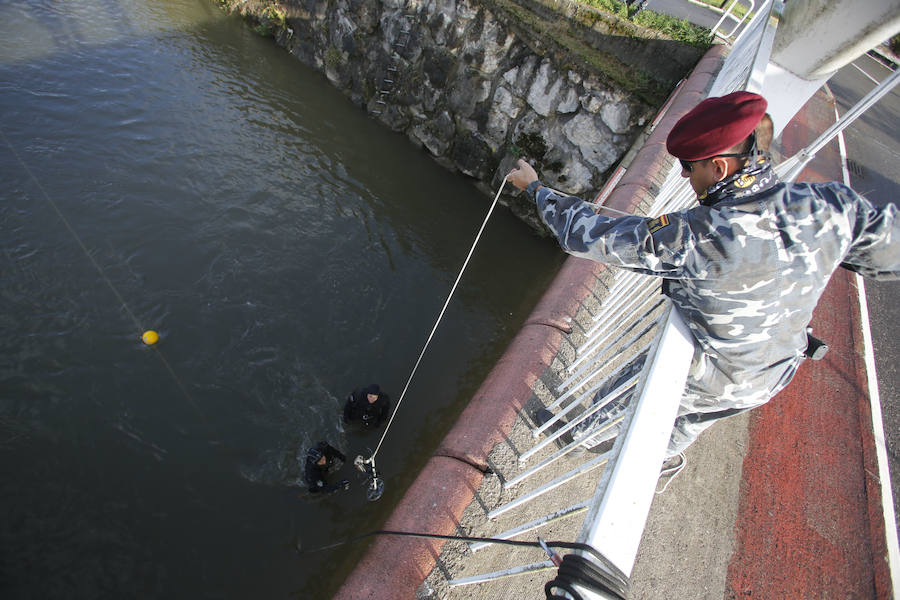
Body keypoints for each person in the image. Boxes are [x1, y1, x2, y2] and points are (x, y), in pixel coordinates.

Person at [508, 91, 899, 457]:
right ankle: (658, 456)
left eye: (688, 166)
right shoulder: (831, 205)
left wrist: (536, 189)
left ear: (719, 167)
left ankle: (579, 436)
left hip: (712, 375)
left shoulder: (698, 235)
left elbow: (587, 235)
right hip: (774, 372)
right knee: (686, 425)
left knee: (630, 388)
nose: (683, 176)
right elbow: (888, 255)